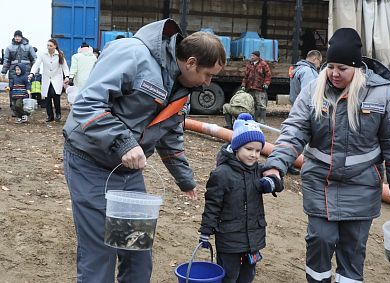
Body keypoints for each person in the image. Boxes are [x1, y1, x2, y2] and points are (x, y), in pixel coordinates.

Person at [62, 19, 226, 283]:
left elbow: (169, 135)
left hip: (129, 170)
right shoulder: (132, 54)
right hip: (89, 162)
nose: (208, 83)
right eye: (208, 75)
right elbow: (87, 105)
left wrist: (184, 179)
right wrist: (124, 142)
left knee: (137, 248)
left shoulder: (181, 89)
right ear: (191, 62)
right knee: (100, 250)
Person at [263, 28, 390, 282]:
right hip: (321, 182)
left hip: (362, 185)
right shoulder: (313, 90)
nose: (334, 73)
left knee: (353, 248)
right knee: (320, 239)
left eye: (342, 68)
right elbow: (294, 130)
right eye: (331, 66)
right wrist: (275, 165)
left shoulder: (384, 94)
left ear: (357, 67)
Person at [199, 113, 283, 283]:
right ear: (236, 147)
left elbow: (279, 181)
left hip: (253, 237)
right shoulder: (222, 174)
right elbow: (212, 205)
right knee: (229, 276)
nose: (254, 154)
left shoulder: (259, 171)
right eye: (249, 149)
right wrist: (206, 230)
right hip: (229, 238)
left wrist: (272, 182)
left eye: (258, 150)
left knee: (247, 276)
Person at [29, 38, 69, 122]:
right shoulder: (43, 54)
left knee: (55, 94)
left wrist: (67, 76)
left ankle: (58, 113)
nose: (49, 47)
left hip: (56, 77)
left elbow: (64, 67)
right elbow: (37, 64)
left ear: (55, 46)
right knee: (47, 97)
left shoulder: (60, 54)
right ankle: (50, 115)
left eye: (50, 46)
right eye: (48, 45)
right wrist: (32, 73)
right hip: (47, 78)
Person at [1, 30, 37, 116]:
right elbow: (6, 60)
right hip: (13, 72)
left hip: (26, 72)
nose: (17, 38)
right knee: (12, 90)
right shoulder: (9, 48)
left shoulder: (29, 47)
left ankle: (25, 108)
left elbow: (34, 59)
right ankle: (14, 109)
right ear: (14, 37)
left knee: (26, 90)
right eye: (16, 36)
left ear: (21, 37)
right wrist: (3, 72)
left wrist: (35, 71)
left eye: (19, 36)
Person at [241, 51, 271, 124]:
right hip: (250, 88)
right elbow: (245, 76)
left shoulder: (263, 64)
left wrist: (266, 83)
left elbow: (268, 75)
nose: (252, 57)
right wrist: (243, 85)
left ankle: (262, 122)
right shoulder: (249, 64)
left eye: (253, 56)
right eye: (251, 55)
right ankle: (252, 121)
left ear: (258, 56)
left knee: (261, 106)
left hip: (260, 88)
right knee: (251, 105)